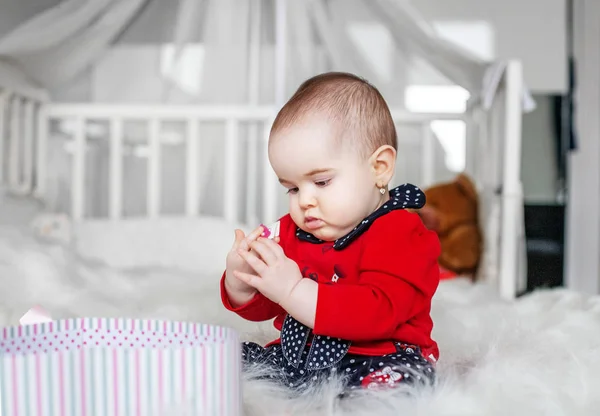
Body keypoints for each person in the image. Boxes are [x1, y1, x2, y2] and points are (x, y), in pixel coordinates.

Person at [220, 72, 441, 391]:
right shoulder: (293, 230)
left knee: (399, 386)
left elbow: (378, 311)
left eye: (321, 182)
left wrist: (293, 290)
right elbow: (270, 304)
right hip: (299, 356)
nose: (305, 201)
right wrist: (243, 281)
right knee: (224, 362)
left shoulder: (400, 231)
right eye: (293, 188)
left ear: (379, 168)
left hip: (380, 356)